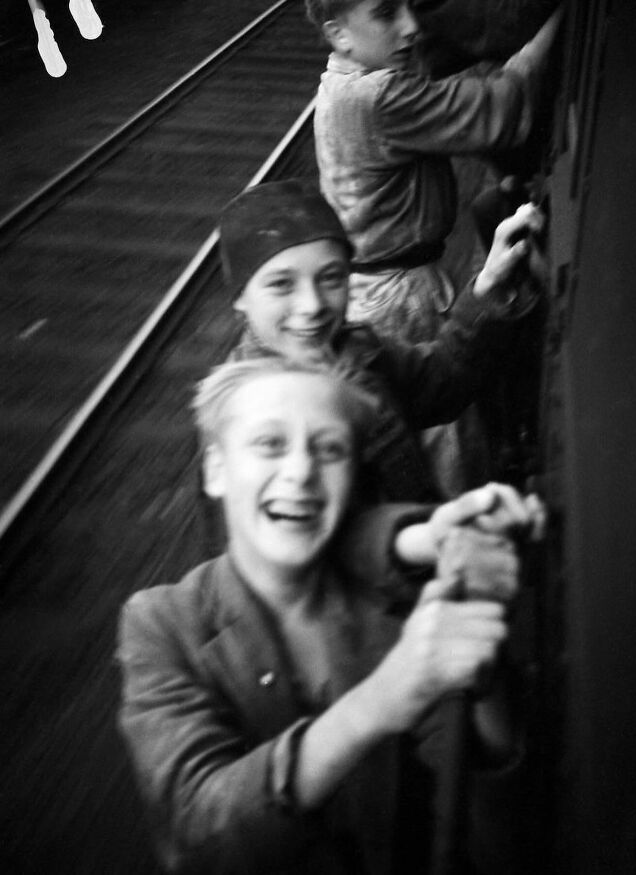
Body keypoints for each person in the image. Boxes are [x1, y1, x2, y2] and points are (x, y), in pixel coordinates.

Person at [117, 358, 541, 874]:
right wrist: (386, 696)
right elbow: (199, 832)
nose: (300, 471)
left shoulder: (400, 599)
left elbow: (493, 809)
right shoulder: (162, 623)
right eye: (270, 444)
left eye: (330, 448)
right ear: (216, 469)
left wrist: (484, 654)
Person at [220, 178, 545, 502]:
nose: (313, 305)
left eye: (331, 278)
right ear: (240, 298)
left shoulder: (357, 350)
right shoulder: (241, 424)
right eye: (281, 284)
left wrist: (487, 286)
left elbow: (442, 379)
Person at [305, 0, 562, 341]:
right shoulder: (378, 96)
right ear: (338, 34)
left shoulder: (338, 83)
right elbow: (500, 105)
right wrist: (562, 17)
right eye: (386, 14)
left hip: (373, 286)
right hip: (401, 301)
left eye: (408, 7)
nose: (412, 26)